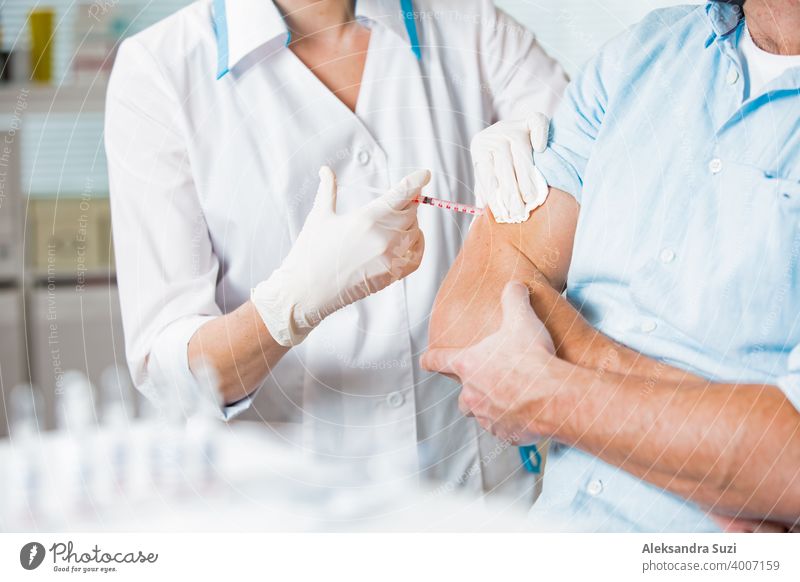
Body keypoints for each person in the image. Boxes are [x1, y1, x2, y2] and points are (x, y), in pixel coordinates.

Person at [105, 0, 567, 501]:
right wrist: (284, 308)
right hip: (288, 512)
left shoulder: (472, 28)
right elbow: (172, 374)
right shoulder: (162, 69)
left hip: (479, 499)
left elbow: (593, 190)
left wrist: (549, 149)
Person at [423, 0, 800, 531]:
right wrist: (719, 434)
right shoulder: (646, 53)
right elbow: (468, 316)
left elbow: (789, 463)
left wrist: (547, 390)